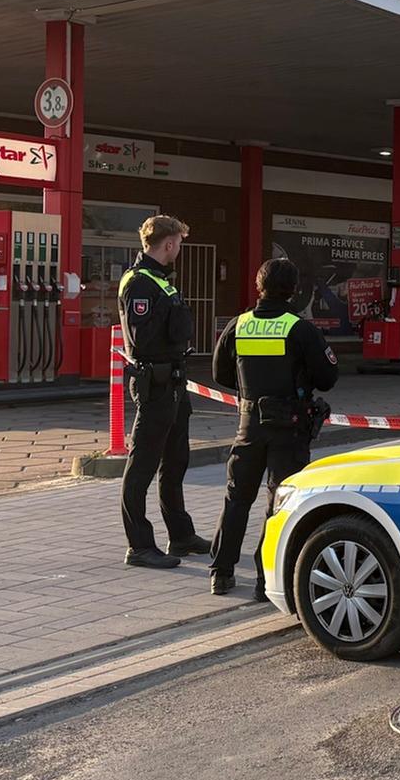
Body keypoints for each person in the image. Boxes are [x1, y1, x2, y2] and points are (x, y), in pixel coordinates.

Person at [208, 258, 340, 597]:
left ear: (259, 286)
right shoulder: (300, 329)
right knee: (280, 502)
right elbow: (327, 378)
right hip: (289, 426)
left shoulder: (239, 324)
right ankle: (265, 579)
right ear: (294, 290)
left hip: (249, 423)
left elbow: (219, 374)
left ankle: (221, 573)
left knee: (237, 498)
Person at [119, 215, 206, 569]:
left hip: (172, 382)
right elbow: (142, 337)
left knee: (175, 462)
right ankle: (139, 546)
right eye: (179, 243)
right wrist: (170, 312)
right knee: (142, 466)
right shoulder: (140, 282)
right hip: (154, 383)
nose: (180, 249)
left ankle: (181, 535)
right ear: (168, 243)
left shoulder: (160, 280)